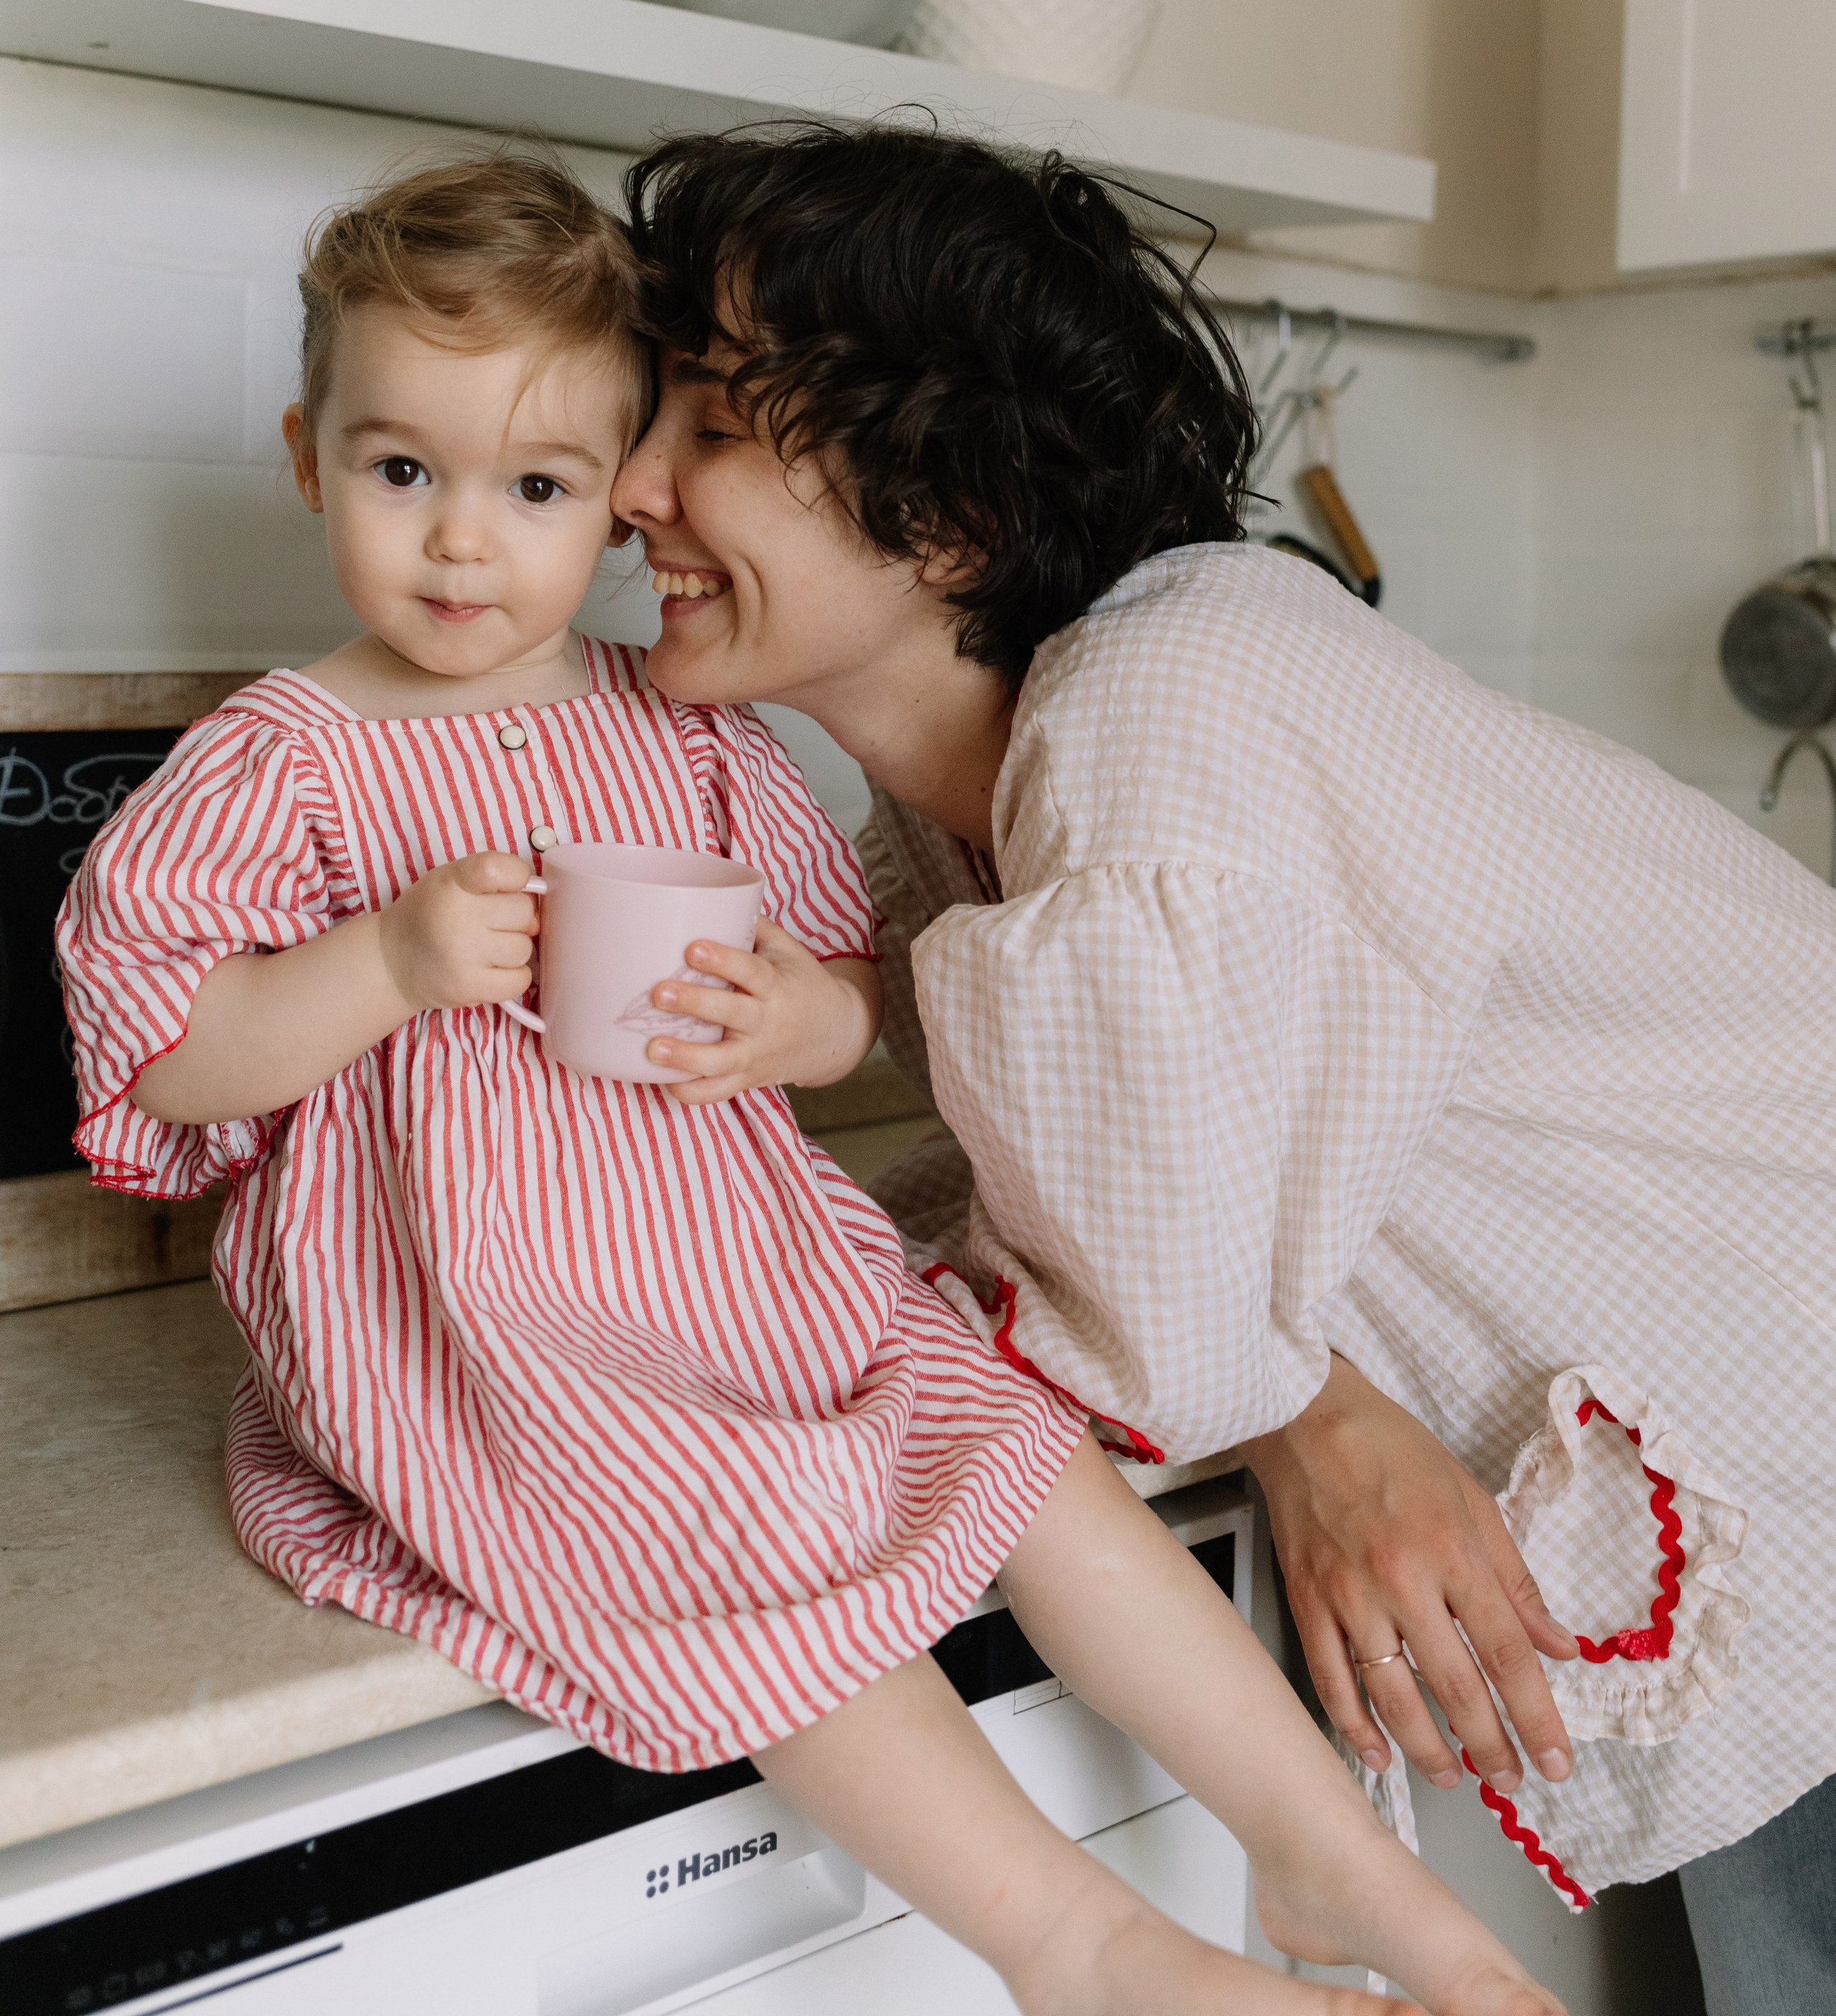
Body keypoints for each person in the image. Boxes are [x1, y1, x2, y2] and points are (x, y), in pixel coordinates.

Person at [58, 148, 1565, 2016]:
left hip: (749, 1274)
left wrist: (802, 1024)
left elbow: (853, 974)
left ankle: (1324, 1852)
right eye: (401, 473)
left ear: (614, 493)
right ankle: (1079, 1947)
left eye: (534, 487)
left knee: (1022, 1449)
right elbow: (166, 1052)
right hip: (494, 1333)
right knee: (734, 1532)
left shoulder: (677, 727)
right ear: (309, 459)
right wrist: (384, 966)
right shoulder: (278, 763)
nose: (462, 543)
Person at [615, 118, 1836, 2015]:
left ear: (949, 515)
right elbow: (1107, 1199)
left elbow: (1158, 1308)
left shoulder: (1160, 717)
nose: (630, 487)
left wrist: (1295, 1408)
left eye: (706, 422)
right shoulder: (979, 796)